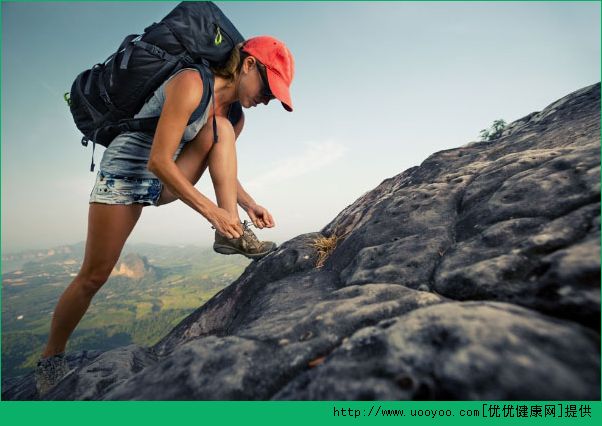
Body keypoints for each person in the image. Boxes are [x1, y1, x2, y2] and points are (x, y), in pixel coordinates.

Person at [34, 36, 295, 396]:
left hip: (171, 176)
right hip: (128, 172)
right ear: (249, 65)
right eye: (269, 88)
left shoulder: (235, 117)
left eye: (274, 96)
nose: (267, 99)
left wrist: (247, 204)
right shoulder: (191, 82)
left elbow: (222, 166)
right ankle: (50, 358)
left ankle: (232, 234)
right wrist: (212, 211)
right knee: (93, 276)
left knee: (221, 132)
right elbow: (157, 160)